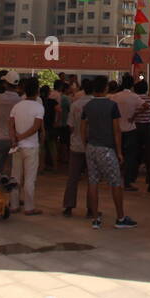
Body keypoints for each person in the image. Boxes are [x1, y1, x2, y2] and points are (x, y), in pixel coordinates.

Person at [80, 76, 136, 229]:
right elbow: (116, 130)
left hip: (91, 147)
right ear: (105, 88)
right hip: (107, 148)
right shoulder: (112, 106)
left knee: (93, 182)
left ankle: (96, 218)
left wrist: (86, 144)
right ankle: (120, 217)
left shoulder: (88, 106)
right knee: (116, 182)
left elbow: (83, 128)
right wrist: (119, 152)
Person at [9, 77, 45, 215]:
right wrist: (21, 137)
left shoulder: (17, 106)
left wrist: (14, 138)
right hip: (31, 146)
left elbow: (10, 124)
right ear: (37, 91)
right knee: (30, 178)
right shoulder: (38, 107)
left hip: (17, 146)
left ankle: (14, 205)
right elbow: (36, 127)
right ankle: (29, 207)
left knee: (15, 176)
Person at [62, 78, 92, 218]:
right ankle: (91, 208)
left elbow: (71, 126)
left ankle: (68, 206)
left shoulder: (75, 104)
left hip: (76, 144)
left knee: (73, 177)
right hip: (92, 146)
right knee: (92, 178)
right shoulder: (96, 104)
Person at [112, 75, 143, 189]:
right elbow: (146, 106)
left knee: (116, 155)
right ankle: (128, 181)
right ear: (132, 84)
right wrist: (134, 115)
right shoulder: (134, 97)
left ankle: (114, 179)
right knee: (130, 157)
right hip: (130, 128)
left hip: (116, 129)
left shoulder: (115, 96)